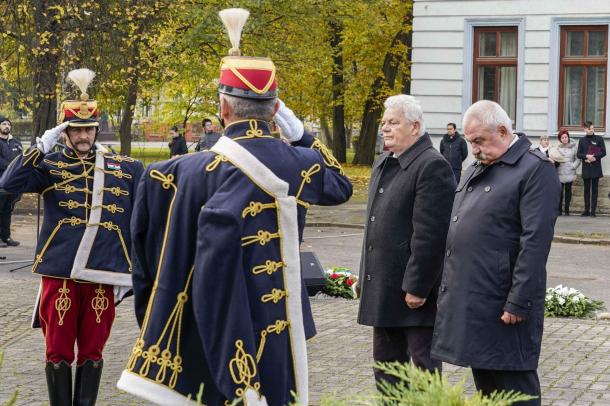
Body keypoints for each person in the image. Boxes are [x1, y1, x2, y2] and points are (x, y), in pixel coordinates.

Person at [117, 8, 352, 406]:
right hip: (276, 331)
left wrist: (151, 317)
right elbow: (340, 185)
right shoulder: (299, 163)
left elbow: (145, 262)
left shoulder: (171, 174)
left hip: (194, 332)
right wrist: (302, 135)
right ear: (276, 109)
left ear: (223, 110)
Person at [0, 69, 144, 406]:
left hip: (102, 272)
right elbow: (7, 184)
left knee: (93, 351)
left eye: (88, 129)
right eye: (75, 129)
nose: (83, 135)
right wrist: (40, 147)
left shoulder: (126, 168)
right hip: (60, 270)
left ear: (96, 129)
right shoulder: (48, 164)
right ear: (65, 131)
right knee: (58, 351)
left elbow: (144, 216)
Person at [431, 100, 560, 405]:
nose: (473, 149)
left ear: (503, 131)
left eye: (479, 141)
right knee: (488, 390)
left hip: (504, 304)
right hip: (475, 300)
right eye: (469, 141)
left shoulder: (533, 169)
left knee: (515, 390)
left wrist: (519, 300)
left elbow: (535, 243)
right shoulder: (480, 167)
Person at [357, 95, 455, 387]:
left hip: (414, 295)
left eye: (393, 123)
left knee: (423, 372)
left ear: (415, 126)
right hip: (384, 287)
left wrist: (417, 286)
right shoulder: (385, 162)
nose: (385, 128)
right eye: (384, 123)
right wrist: (365, 275)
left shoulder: (431, 166)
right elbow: (373, 227)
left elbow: (431, 235)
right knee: (387, 373)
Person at [0, 115, 23, 246]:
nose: (6, 126)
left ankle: (6, 236)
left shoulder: (16, 142)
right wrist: (11, 166)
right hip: (0, 182)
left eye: (8, 124)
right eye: (3, 124)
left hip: (13, 183)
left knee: (8, 210)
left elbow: (21, 158)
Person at [577, 121, 606, 217]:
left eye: (593, 128)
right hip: (586, 168)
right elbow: (578, 154)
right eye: (590, 129)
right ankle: (586, 210)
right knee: (586, 190)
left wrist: (595, 157)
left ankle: (593, 211)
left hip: (595, 167)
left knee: (594, 190)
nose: (592, 130)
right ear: (585, 129)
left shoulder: (599, 139)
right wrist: (586, 156)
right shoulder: (582, 140)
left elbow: (603, 152)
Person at [550, 129, 579, 216]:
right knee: (560, 192)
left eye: (566, 137)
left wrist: (573, 166)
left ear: (568, 137)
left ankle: (567, 209)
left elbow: (578, 159)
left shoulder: (574, 146)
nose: (564, 139)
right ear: (560, 139)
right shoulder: (557, 148)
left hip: (570, 172)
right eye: (562, 137)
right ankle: (559, 209)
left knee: (568, 192)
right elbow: (555, 158)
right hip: (560, 172)